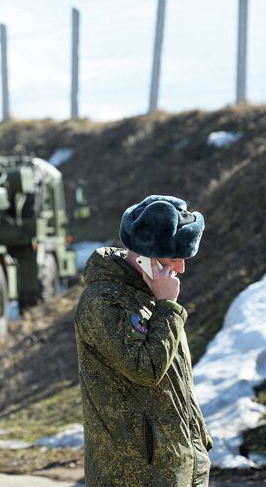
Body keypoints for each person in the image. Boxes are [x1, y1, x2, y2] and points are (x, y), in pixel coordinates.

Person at [75, 195, 212, 487]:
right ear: (144, 256)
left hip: (178, 465)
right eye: (174, 258)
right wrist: (167, 307)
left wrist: (198, 441)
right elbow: (146, 369)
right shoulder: (103, 302)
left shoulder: (152, 297)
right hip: (135, 475)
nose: (181, 269)